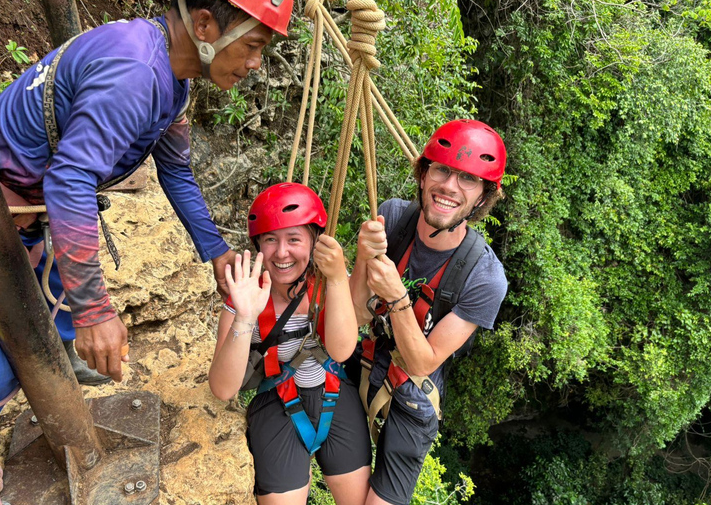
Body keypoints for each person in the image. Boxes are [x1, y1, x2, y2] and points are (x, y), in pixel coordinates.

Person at [0, 0, 292, 498]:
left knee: (51, 305)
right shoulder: (135, 73)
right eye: (251, 45)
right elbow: (70, 182)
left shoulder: (173, 79)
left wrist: (216, 252)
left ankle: (64, 353)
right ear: (205, 25)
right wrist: (96, 310)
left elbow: (176, 170)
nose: (254, 64)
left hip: (24, 208)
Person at [348, 119, 509, 505]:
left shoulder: (485, 278)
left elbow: (422, 362)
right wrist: (360, 258)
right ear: (423, 174)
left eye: (468, 179)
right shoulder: (391, 218)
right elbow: (353, 316)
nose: (450, 187)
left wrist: (397, 297)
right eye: (442, 169)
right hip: (364, 359)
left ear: (482, 198)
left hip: (414, 393)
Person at [208, 183, 371, 505]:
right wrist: (244, 315)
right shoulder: (244, 292)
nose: (281, 253)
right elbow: (223, 389)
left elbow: (341, 351)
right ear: (258, 244)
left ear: (314, 241)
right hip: (277, 403)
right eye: (270, 240)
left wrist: (338, 277)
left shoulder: (328, 283)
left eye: (294, 239)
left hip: (335, 395)